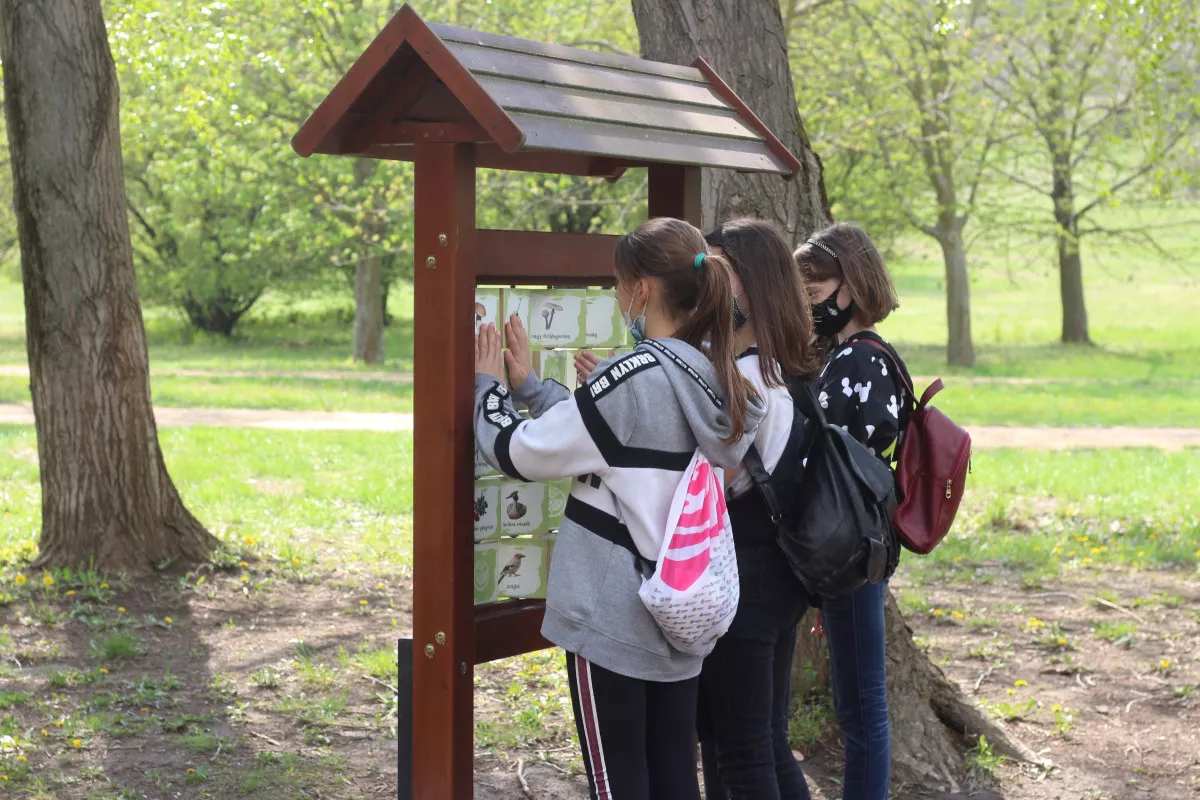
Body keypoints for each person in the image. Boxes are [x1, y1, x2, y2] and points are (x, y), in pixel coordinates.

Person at [473, 216, 763, 800]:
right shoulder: (710, 376)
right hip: (677, 613)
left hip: (612, 617)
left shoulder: (634, 377)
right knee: (674, 775)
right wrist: (533, 387)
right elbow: (623, 446)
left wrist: (486, 389)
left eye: (617, 284)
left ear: (643, 290)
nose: (616, 296)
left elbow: (521, 452)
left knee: (619, 782)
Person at [695, 218, 822, 800]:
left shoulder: (744, 376)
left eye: (719, 269)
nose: (708, 283)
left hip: (744, 580)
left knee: (740, 752)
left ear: (753, 285)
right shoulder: (786, 367)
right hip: (778, 576)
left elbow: (708, 482)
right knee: (764, 741)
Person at [794, 223, 911, 800]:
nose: (810, 305)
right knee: (857, 705)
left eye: (816, 294)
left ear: (854, 286)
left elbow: (840, 465)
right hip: (849, 550)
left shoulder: (862, 362)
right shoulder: (851, 356)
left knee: (863, 711)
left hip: (853, 550)